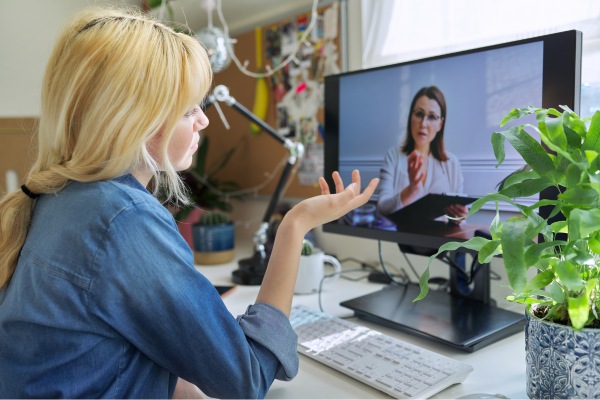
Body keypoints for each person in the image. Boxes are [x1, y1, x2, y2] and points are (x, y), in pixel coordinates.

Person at [0, 7, 379, 399]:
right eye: (189, 109)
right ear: (136, 121)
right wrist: (295, 224)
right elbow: (247, 377)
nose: (204, 121)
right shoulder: (123, 220)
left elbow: (107, 351)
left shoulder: (58, 198)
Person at [377, 86, 467, 224]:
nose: (423, 124)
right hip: (404, 241)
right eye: (419, 114)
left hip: (440, 243)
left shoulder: (452, 163)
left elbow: (460, 222)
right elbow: (382, 208)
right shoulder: (393, 156)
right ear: (411, 117)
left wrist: (458, 218)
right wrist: (411, 190)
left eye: (432, 117)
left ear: (440, 124)